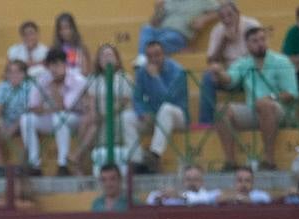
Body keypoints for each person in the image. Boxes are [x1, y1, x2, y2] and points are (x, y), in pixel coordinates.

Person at [213, 26, 297, 171]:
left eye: (262, 39)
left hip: (281, 110)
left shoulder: (282, 61)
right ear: (247, 45)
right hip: (254, 110)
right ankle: (230, 162)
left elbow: (291, 93)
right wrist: (219, 73)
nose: (260, 43)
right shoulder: (244, 63)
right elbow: (230, 80)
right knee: (221, 109)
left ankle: (269, 160)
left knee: (264, 105)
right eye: (255, 41)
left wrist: (270, 97)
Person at [21, 47, 86, 177]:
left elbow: (65, 106)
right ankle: (34, 164)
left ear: (65, 64)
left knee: (60, 117)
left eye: (57, 64)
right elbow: (33, 106)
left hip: (76, 118)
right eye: (51, 65)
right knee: (26, 119)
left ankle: (63, 164)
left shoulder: (77, 80)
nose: (53, 69)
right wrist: (49, 109)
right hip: (52, 116)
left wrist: (54, 88)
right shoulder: (43, 78)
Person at [199, 2, 261, 126]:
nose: (227, 20)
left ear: (238, 14)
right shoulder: (218, 30)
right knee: (208, 76)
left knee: (255, 73)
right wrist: (223, 41)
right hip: (228, 74)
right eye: (222, 17)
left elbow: (260, 52)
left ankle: (258, 117)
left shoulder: (251, 25)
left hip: (250, 70)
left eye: (230, 15)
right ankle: (206, 123)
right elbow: (211, 61)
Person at [132, 39, 188, 172]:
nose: (153, 59)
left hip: (178, 115)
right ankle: (136, 160)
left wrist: (156, 78)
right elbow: (137, 97)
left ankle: (154, 155)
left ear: (164, 54)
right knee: (127, 118)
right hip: (153, 115)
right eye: (149, 56)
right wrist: (141, 112)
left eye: (157, 55)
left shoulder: (178, 71)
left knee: (166, 109)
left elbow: (169, 98)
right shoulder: (142, 72)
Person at [79, 43, 135, 173]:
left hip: (116, 114)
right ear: (98, 60)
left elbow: (124, 102)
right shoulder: (94, 79)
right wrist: (93, 113)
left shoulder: (124, 78)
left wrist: (104, 115)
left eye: (110, 55)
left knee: (94, 123)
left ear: (116, 59)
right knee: (86, 121)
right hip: (98, 115)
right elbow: (90, 99)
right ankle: (82, 160)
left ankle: (79, 158)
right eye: (103, 56)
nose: (106, 58)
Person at [0, 59, 34, 169]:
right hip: (6, 121)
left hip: (23, 121)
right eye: (10, 72)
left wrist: (13, 128)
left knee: (28, 122)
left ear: (24, 74)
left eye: (18, 72)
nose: (14, 75)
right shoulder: (2, 87)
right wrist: (1, 126)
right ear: (6, 74)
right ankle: (0, 166)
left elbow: (29, 110)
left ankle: (24, 166)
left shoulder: (30, 87)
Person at [137, 0, 219, 56]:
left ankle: (144, 57)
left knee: (165, 39)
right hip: (160, 31)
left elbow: (219, 11)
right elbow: (153, 23)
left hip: (178, 35)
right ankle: (143, 58)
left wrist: (204, 19)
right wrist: (158, 10)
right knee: (146, 28)